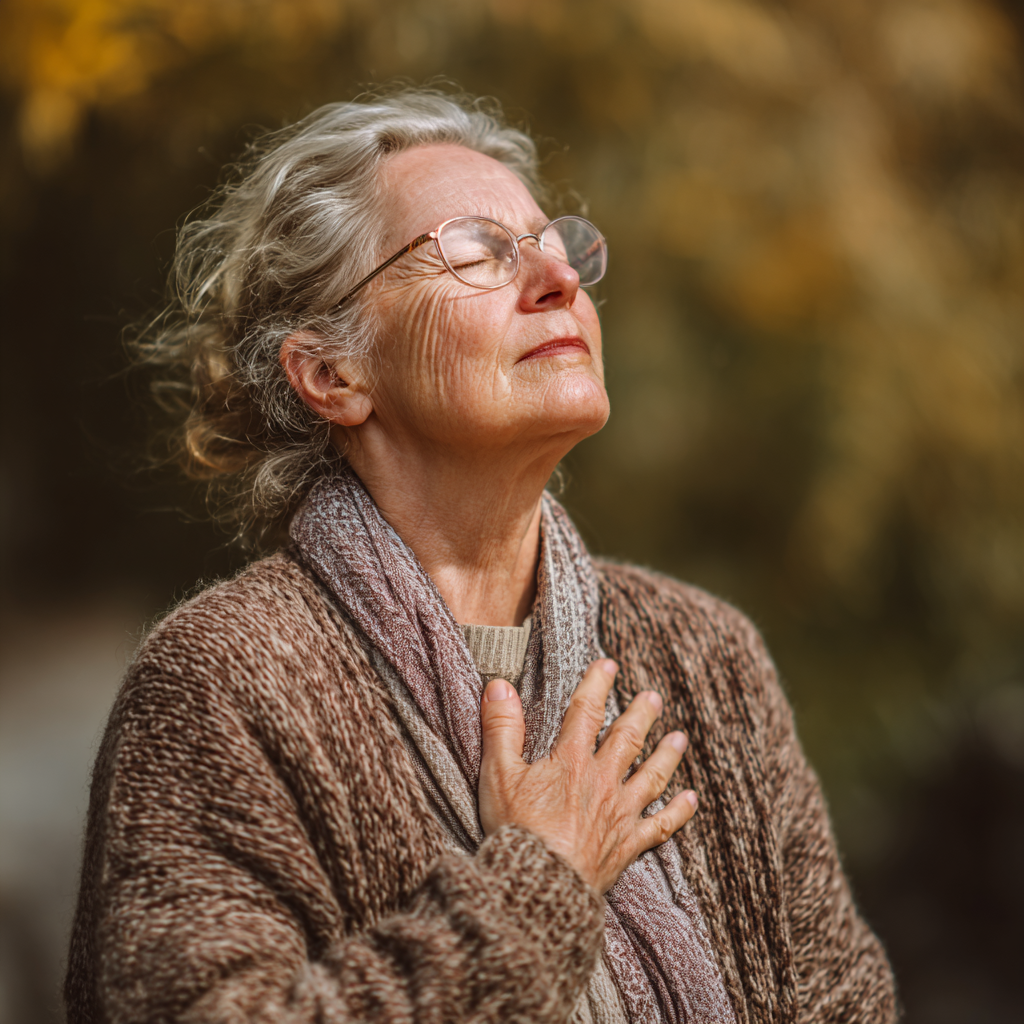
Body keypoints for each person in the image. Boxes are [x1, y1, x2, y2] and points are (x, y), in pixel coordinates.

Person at [64, 88, 897, 1024]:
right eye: (476, 252)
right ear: (333, 375)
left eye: (555, 245)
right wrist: (538, 884)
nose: (558, 279)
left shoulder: (707, 658)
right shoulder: (225, 683)